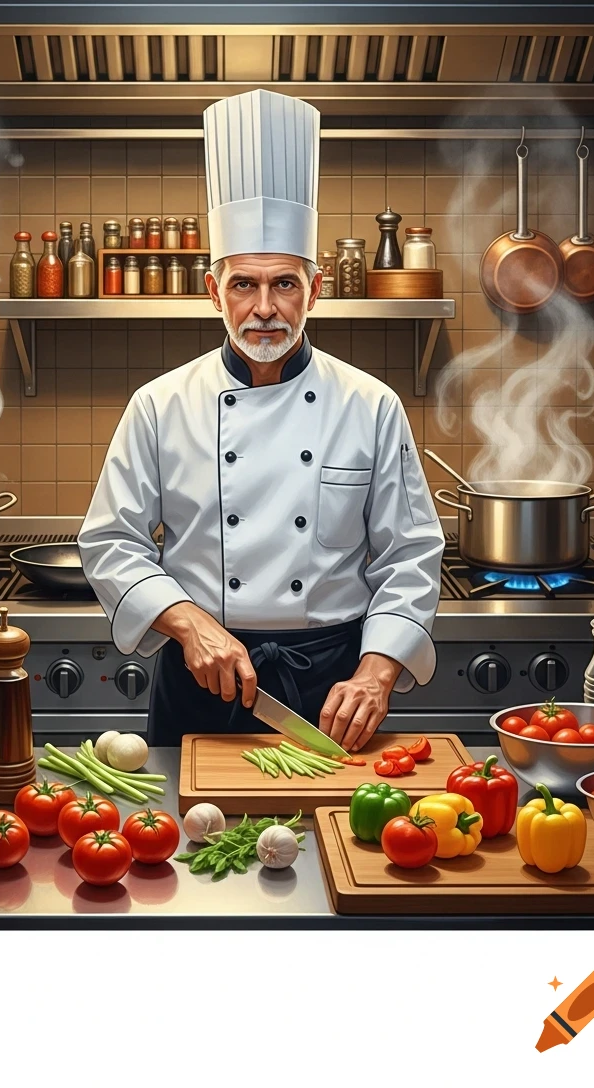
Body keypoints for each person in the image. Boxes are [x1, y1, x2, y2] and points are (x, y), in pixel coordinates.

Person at [78, 89, 444, 751]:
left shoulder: (371, 404)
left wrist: (377, 670)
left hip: (332, 687)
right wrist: (188, 623)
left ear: (316, 288)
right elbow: (111, 543)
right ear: (214, 290)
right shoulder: (160, 404)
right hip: (199, 678)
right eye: (245, 284)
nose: (265, 308)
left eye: (285, 284)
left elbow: (410, 555)